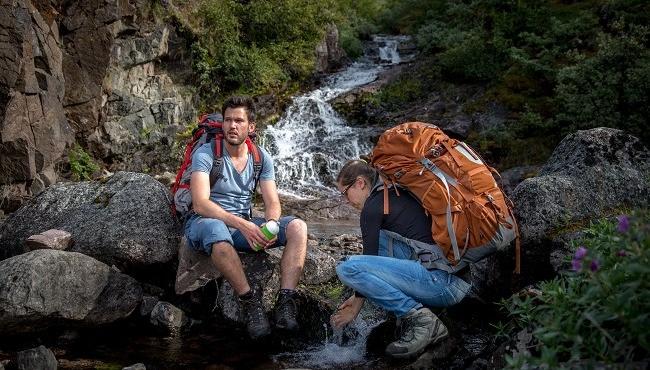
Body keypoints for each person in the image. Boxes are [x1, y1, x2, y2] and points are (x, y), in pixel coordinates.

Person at [184, 95, 308, 339]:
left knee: (298, 227)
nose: (232, 126)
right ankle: (250, 302)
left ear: (251, 127)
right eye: (228, 120)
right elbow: (200, 204)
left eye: (239, 121)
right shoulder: (206, 154)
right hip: (204, 223)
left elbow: (272, 203)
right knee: (216, 231)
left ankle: (285, 302)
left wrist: (270, 225)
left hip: (241, 225)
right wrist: (245, 225)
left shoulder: (261, 158)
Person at [330, 159, 471, 359]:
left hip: (441, 285)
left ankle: (423, 321)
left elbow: (365, 262)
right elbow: (373, 258)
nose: (346, 200)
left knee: (346, 267)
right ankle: (408, 314)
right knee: (382, 240)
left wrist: (355, 308)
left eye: (345, 193)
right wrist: (357, 295)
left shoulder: (373, 207)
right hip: (460, 281)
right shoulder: (396, 193)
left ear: (360, 183)